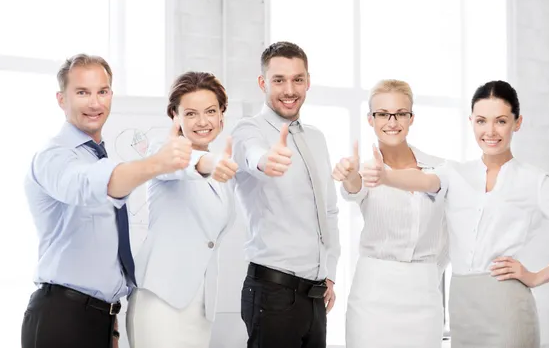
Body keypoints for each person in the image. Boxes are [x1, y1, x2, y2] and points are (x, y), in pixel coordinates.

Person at [360, 80, 549, 348]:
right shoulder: (454, 173)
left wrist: (536, 277)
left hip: (507, 305)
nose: (490, 131)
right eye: (481, 121)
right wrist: (386, 177)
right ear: (471, 122)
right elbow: (422, 181)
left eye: (500, 121)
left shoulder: (534, 181)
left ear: (517, 122)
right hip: (461, 305)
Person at [22, 54, 195, 348]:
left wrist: (110, 323)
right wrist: (158, 163)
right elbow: (88, 183)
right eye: (82, 92)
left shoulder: (98, 156)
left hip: (99, 319)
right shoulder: (54, 156)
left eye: (102, 91)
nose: (94, 103)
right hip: (62, 318)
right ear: (61, 99)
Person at [231, 41, 341, 348]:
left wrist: (329, 273)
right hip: (273, 293)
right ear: (262, 83)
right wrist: (267, 160)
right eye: (279, 80)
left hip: (316, 297)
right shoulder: (247, 130)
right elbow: (253, 154)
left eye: (297, 79)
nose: (289, 90)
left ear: (308, 81)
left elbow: (329, 212)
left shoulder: (316, 139)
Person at [125, 72, 238, 347]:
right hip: (160, 302)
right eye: (190, 113)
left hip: (200, 306)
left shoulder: (223, 175)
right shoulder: (161, 151)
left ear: (222, 115)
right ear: (175, 116)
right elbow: (185, 164)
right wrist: (209, 162)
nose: (202, 121)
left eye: (210, 111)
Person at [332, 80, 447, 348]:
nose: (392, 121)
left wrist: (431, 271)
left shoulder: (439, 168)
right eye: (382, 114)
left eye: (400, 113)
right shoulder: (364, 171)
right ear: (370, 119)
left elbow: (450, 232)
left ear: (411, 118)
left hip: (424, 295)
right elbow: (355, 188)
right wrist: (349, 177)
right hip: (374, 294)